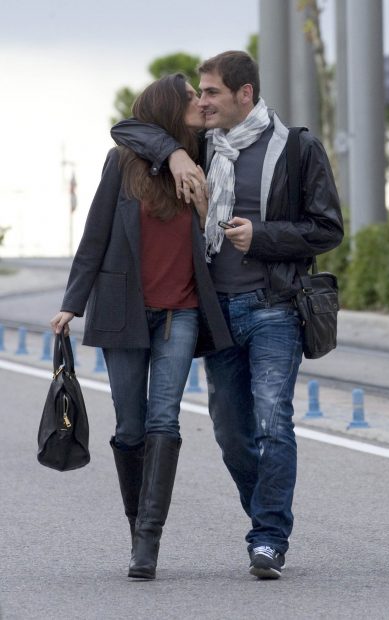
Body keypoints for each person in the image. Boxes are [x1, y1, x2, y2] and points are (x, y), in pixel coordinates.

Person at [110, 50, 344, 580]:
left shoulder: (298, 147)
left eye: (212, 92)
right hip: (216, 314)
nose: (203, 101)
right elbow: (126, 128)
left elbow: (328, 229)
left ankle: (267, 539)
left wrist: (261, 237)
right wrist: (172, 154)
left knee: (271, 420)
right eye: (200, 92)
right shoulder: (200, 145)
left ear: (245, 94)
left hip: (274, 306)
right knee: (231, 434)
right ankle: (266, 517)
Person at [50, 73, 233, 581]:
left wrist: (197, 191)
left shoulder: (211, 157)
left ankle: (148, 543)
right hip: (122, 311)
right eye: (191, 98)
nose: (201, 102)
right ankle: (136, 528)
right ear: (169, 110)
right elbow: (96, 234)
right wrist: (73, 302)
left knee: (163, 423)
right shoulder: (123, 162)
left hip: (182, 311)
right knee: (129, 428)